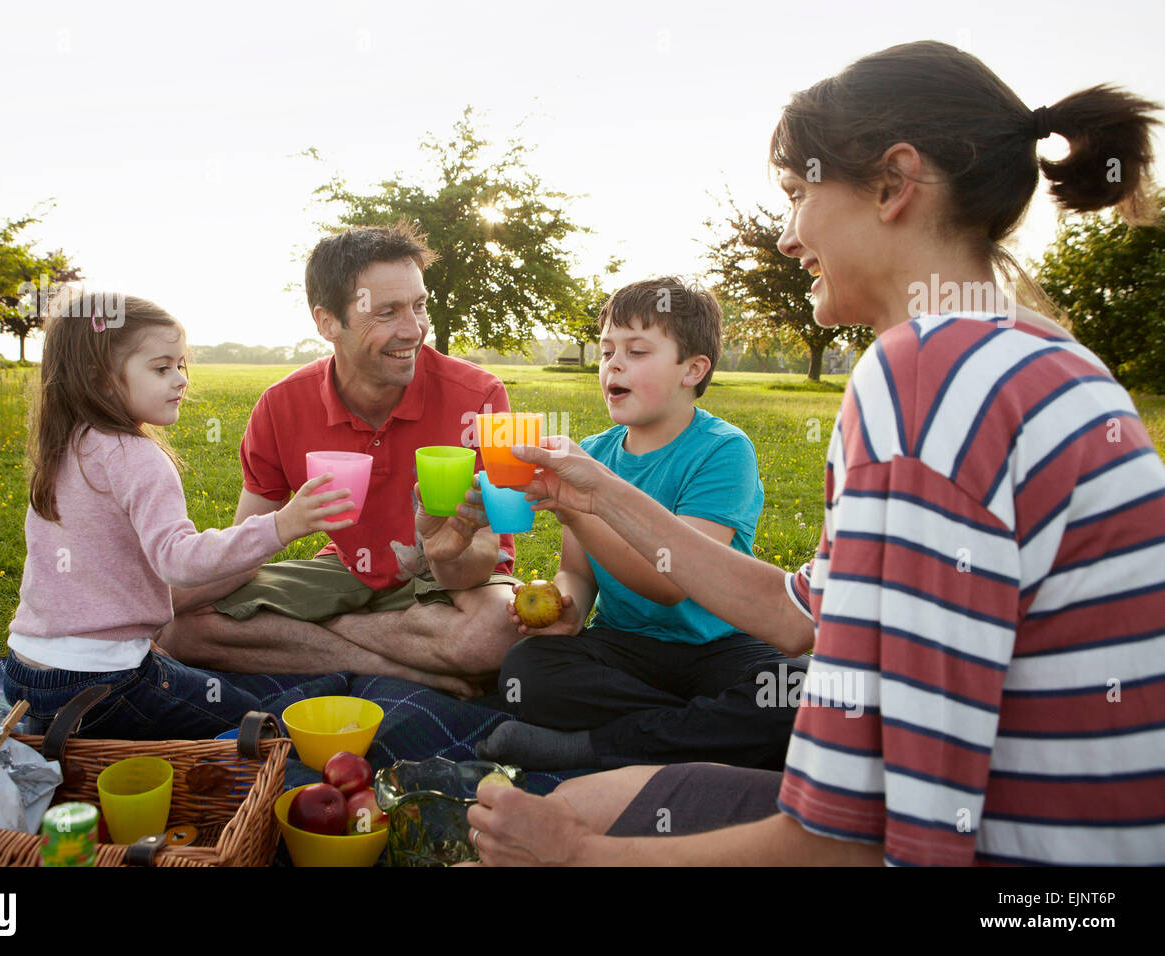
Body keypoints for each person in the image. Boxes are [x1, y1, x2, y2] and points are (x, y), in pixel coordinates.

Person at [464, 40, 1165, 866]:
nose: (790, 237)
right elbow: (800, 614)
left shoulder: (923, 376)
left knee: (567, 827)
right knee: (584, 798)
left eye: (799, 194)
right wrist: (595, 493)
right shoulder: (1038, 352)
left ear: (893, 183)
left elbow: (845, 838)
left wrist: (576, 858)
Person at [2, 291, 386, 739]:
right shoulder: (138, 457)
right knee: (257, 725)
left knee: (193, 691)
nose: (181, 380)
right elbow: (179, 563)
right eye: (162, 368)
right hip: (104, 684)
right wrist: (284, 524)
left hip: (26, 676)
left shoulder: (63, 447)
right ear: (99, 378)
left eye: (181, 365)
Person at [155, 224, 522, 691]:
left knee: (498, 633)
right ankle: (398, 666)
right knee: (179, 626)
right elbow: (243, 550)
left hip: (448, 582)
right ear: (327, 322)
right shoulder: (282, 405)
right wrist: (164, 602)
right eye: (387, 312)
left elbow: (485, 561)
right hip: (346, 573)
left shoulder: (480, 396)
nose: (414, 330)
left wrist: (447, 553)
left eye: (419, 305)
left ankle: (322, 642)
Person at [477, 277, 809, 771]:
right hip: (626, 646)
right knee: (527, 671)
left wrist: (578, 507)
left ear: (693, 369)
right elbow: (579, 571)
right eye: (607, 349)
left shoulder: (723, 450)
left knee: (798, 695)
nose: (613, 362)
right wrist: (569, 607)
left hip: (721, 644)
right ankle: (699, 735)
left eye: (637, 350)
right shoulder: (591, 452)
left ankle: (595, 747)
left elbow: (670, 581)